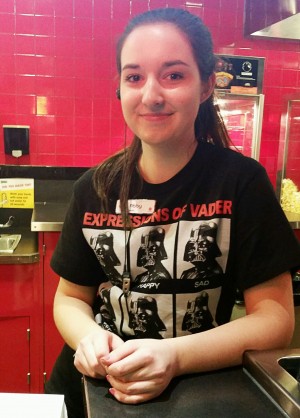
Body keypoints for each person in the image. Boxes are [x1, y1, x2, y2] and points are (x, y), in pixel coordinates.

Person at [45, 7, 300, 418]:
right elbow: (70, 298)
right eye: (134, 77)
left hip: (195, 391)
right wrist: (89, 337)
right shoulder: (94, 187)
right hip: (89, 394)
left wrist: (174, 356)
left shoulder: (241, 184)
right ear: (121, 89)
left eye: (174, 75)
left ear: (205, 87)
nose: (151, 95)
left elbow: (275, 319)